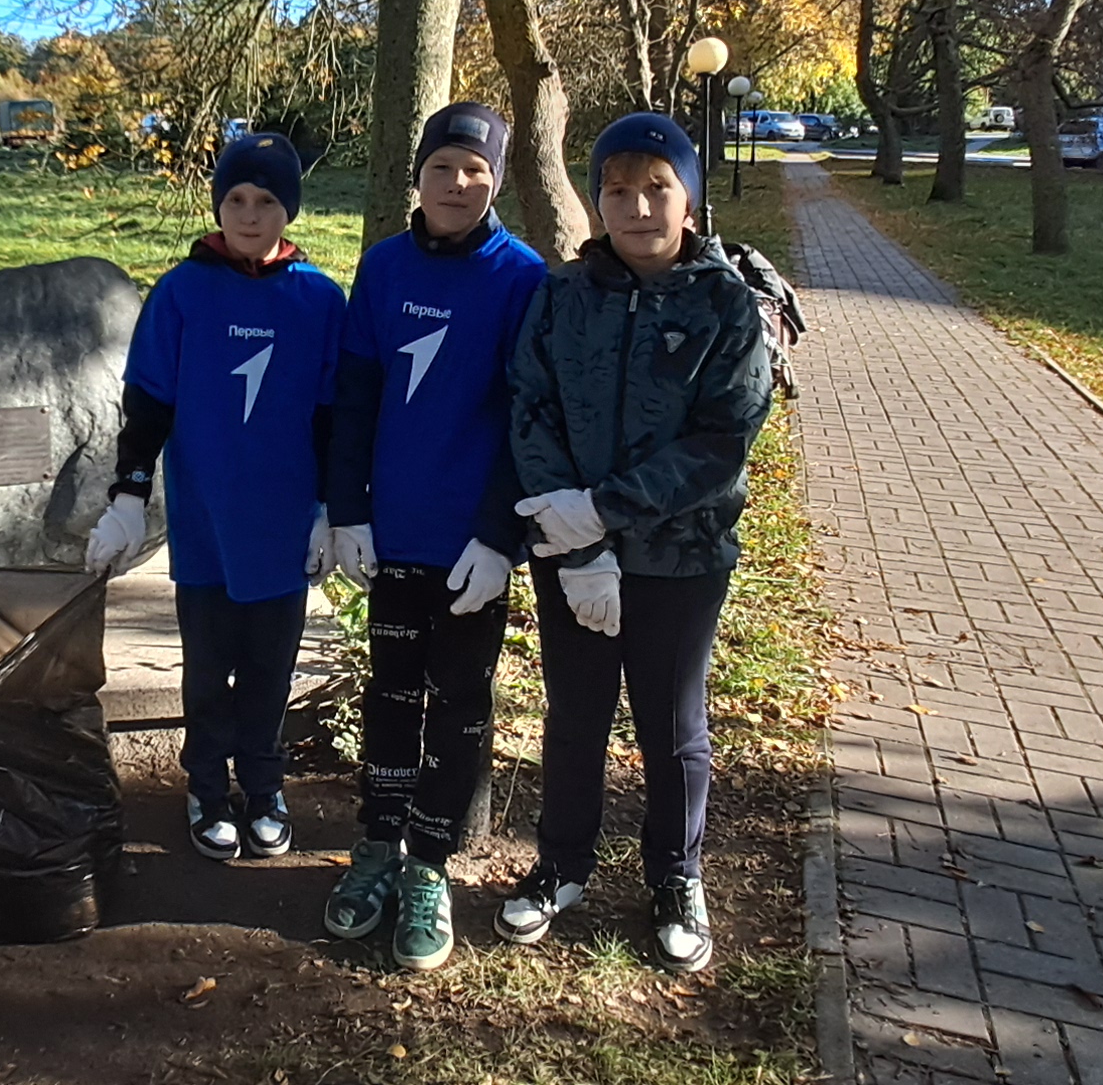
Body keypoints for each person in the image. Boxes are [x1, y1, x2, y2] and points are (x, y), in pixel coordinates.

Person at [496, 112, 777, 974]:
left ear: (687, 199)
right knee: (575, 716)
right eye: (618, 190)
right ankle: (561, 864)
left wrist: (606, 512)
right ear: (597, 201)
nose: (637, 206)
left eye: (657, 188)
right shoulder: (563, 295)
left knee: (672, 723)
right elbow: (529, 406)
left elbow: (722, 443)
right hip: (574, 553)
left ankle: (675, 873)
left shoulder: (724, 303)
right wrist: (577, 542)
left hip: (680, 557)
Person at [315, 103, 549, 971]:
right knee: (390, 696)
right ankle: (376, 844)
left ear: (496, 181)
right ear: (418, 174)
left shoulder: (521, 277)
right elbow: (356, 397)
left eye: (477, 171)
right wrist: (346, 509)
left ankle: (429, 867)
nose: (459, 184)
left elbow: (533, 420)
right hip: (393, 538)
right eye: (444, 167)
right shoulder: (381, 270)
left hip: (472, 552)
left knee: (458, 708)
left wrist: (500, 536)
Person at [85, 132, 346, 862]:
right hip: (203, 524)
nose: (250, 214)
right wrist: (129, 494)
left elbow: (334, 415)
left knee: (270, 670)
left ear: (288, 211)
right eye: (236, 198)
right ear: (218, 205)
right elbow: (148, 401)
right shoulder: (181, 292)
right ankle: (205, 786)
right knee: (206, 668)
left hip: (284, 526)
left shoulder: (320, 300)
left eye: (266, 200)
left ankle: (264, 786)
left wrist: (333, 508)